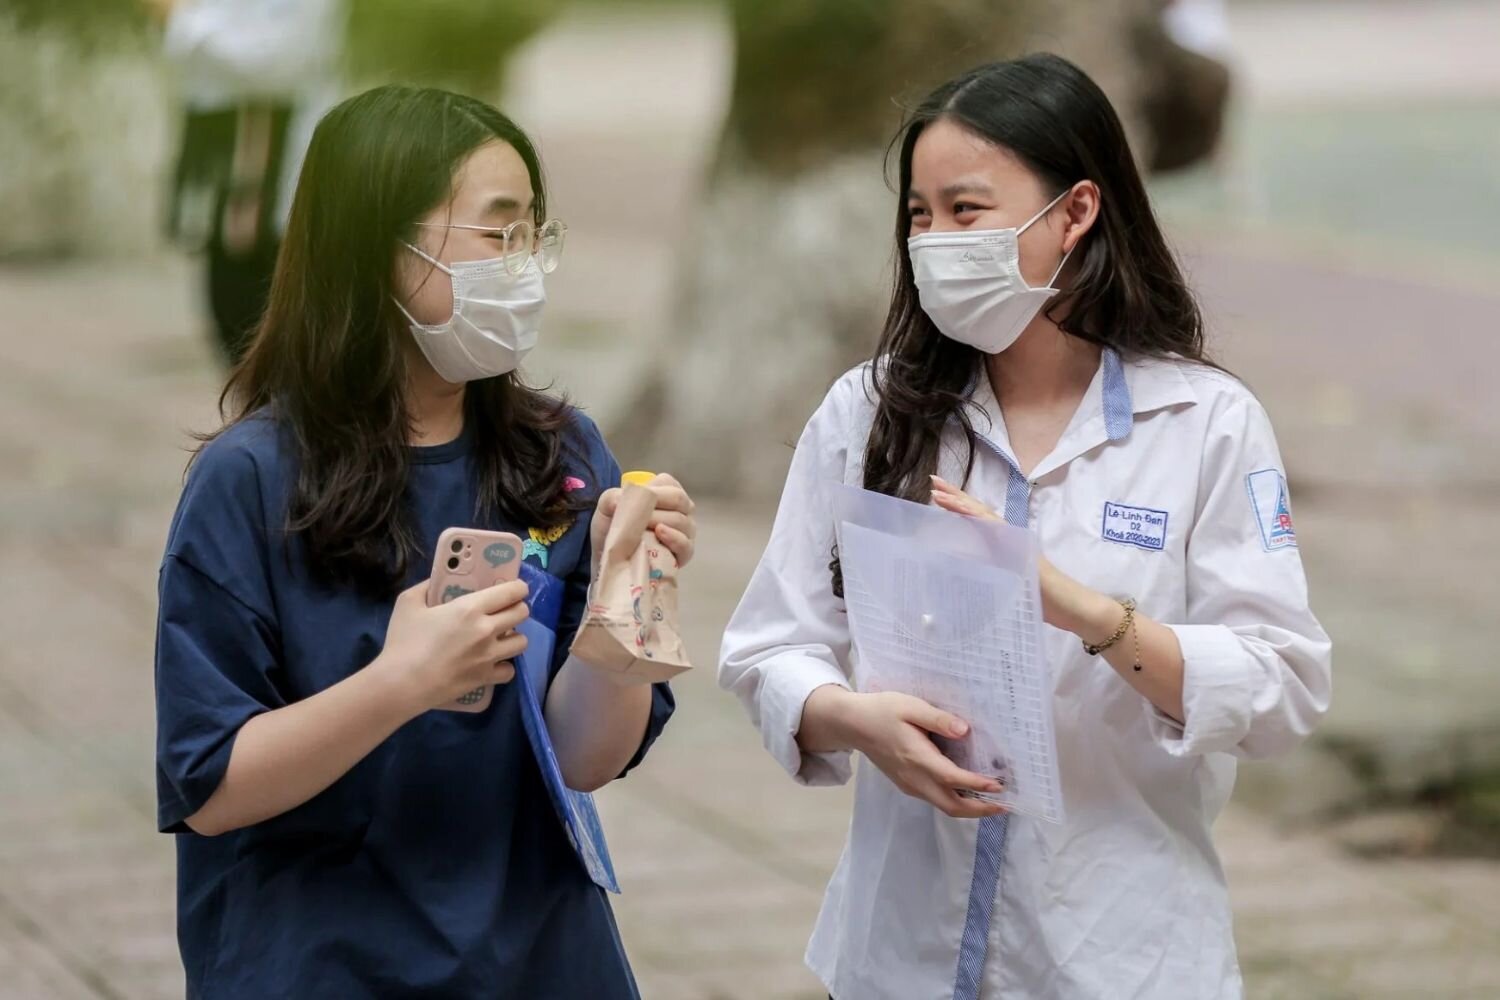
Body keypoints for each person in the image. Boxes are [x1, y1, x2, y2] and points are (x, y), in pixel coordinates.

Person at [719, 53, 1330, 1000]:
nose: (934, 241)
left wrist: (1081, 610)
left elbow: (1282, 683)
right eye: (919, 215)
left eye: (966, 211)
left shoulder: (1206, 424)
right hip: (896, 959)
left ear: (1076, 213)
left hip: (1118, 959)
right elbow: (769, 645)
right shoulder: (869, 414)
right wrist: (852, 719)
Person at [153, 85, 696, 998]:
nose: (524, 265)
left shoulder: (560, 455)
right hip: (322, 962)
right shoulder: (249, 481)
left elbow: (582, 759)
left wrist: (623, 606)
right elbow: (210, 785)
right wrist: (401, 685)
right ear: (378, 248)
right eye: (497, 233)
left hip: (539, 956)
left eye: (535, 234)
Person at [154, 0, 343, 363]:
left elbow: (275, 61)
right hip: (229, 157)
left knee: (262, 321)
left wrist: (180, 19)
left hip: (268, 162)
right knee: (231, 312)